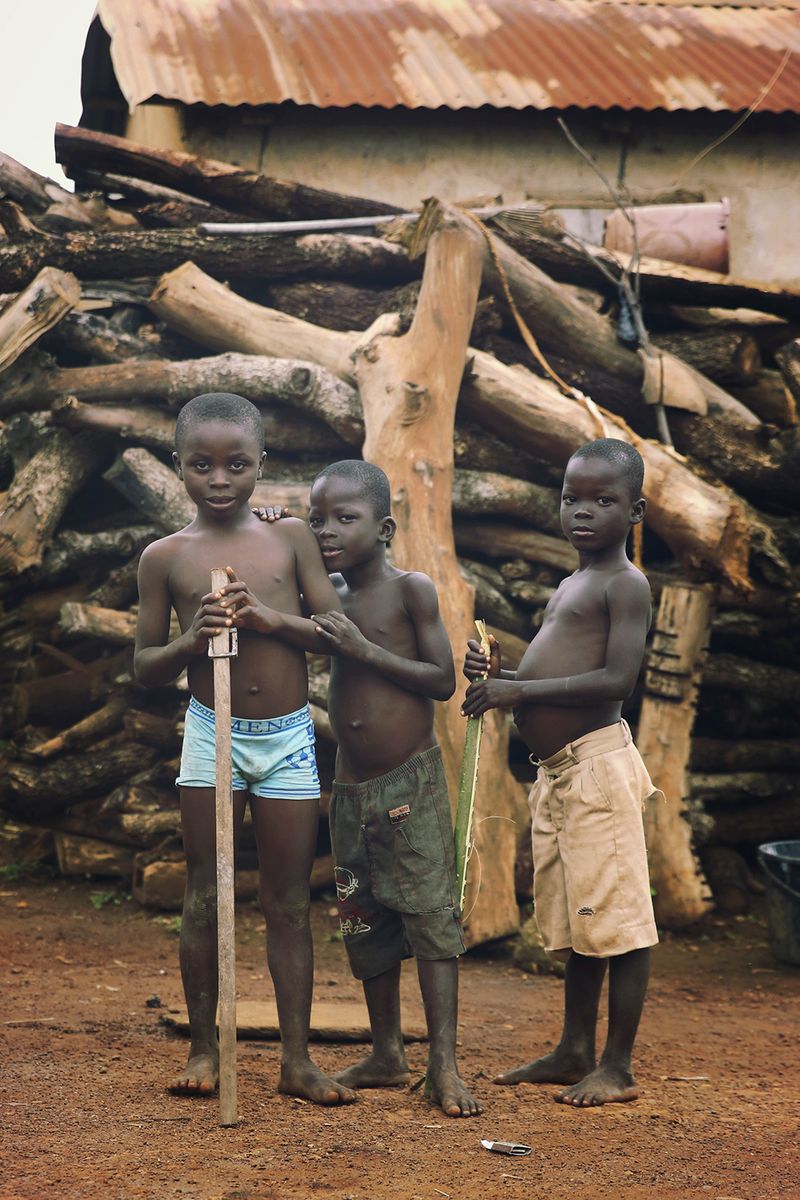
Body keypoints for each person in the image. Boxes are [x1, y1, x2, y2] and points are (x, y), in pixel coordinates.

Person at [133, 392, 355, 1106]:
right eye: (202, 464)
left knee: (288, 900)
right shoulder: (164, 558)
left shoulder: (289, 540)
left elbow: (332, 630)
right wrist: (191, 638)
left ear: (262, 465)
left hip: (286, 739)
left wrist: (267, 617)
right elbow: (143, 667)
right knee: (206, 894)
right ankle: (204, 1048)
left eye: (236, 464)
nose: (220, 479)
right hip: (211, 733)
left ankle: (297, 1059)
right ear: (178, 468)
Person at [264, 460, 482, 1117]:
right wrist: (277, 533)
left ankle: (442, 1063)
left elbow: (441, 680)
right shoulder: (322, 592)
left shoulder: (410, 590)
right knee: (365, 921)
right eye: (316, 519)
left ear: (384, 528)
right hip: (350, 788)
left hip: (408, 782)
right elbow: (285, 604)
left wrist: (360, 649)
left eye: (345, 519)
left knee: (430, 918)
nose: (327, 531)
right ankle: (388, 1052)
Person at [462, 437, 661, 1108]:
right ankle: (575, 1048)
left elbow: (617, 679)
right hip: (561, 774)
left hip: (599, 769)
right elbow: (555, 673)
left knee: (621, 923)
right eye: (572, 498)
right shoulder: (576, 580)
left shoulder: (625, 585)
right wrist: (502, 681)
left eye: (603, 501)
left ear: (634, 511)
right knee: (586, 919)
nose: (583, 511)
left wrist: (523, 693)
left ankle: (618, 1066)